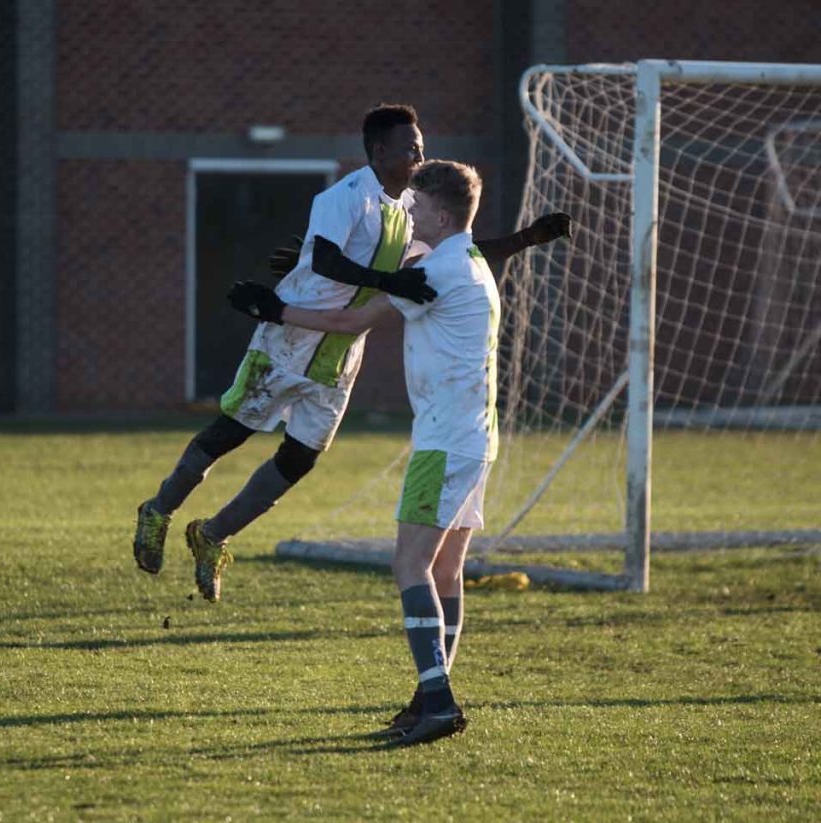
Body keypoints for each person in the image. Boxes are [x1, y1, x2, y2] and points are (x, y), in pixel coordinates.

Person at [133, 103, 567, 605]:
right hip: (290, 334)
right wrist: (385, 279)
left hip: (341, 352)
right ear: (379, 152)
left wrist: (527, 239)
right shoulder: (345, 196)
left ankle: (213, 535)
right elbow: (323, 258)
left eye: (421, 148)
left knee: (299, 459)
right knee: (232, 432)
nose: (419, 156)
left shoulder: (412, 209)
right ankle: (158, 509)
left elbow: (457, 251)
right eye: (410, 149)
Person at [227, 159, 512, 746]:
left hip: (444, 442)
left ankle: (437, 702)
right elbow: (383, 275)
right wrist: (313, 266)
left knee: (409, 566)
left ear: (439, 211)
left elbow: (350, 319)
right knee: (444, 569)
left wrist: (273, 309)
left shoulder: (438, 270)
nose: (406, 209)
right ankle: (427, 697)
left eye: (415, 202)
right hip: (475, 438)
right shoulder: (470, 261)